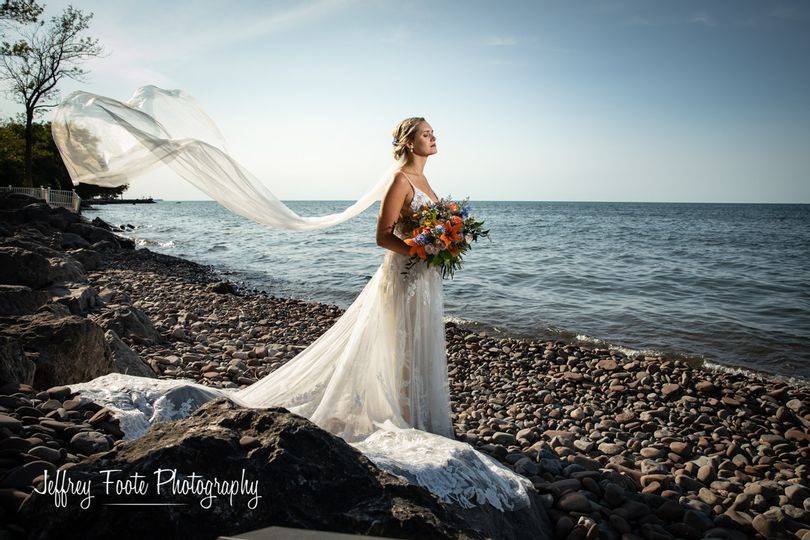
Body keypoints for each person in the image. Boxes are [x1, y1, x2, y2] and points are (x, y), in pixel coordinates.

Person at [56, 86, 535, 511]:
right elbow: (383, 235)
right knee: (397, 340)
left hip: (424, 277)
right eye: (427, 133)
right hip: (405, 273)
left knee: (419, 341)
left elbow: (427, 227)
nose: (435, 138)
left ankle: (418, 412)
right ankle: (401, 415)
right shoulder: (400, 180)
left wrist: (443, 242)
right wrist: (424, 246)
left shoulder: (428, 182)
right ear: (408, 142)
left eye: (435, 133)